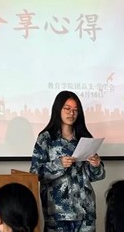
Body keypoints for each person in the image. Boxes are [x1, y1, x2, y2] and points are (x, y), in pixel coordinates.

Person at [30, 90, 106, 232]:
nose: (72, 113)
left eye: (75, 110)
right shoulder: (46, 138)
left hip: (85, 211)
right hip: (58, 213)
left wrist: (96, 165)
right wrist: (58, 165)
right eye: (67, 109)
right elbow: (35, 173)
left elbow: (97, 175)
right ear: (58, 109)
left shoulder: (84, 137)